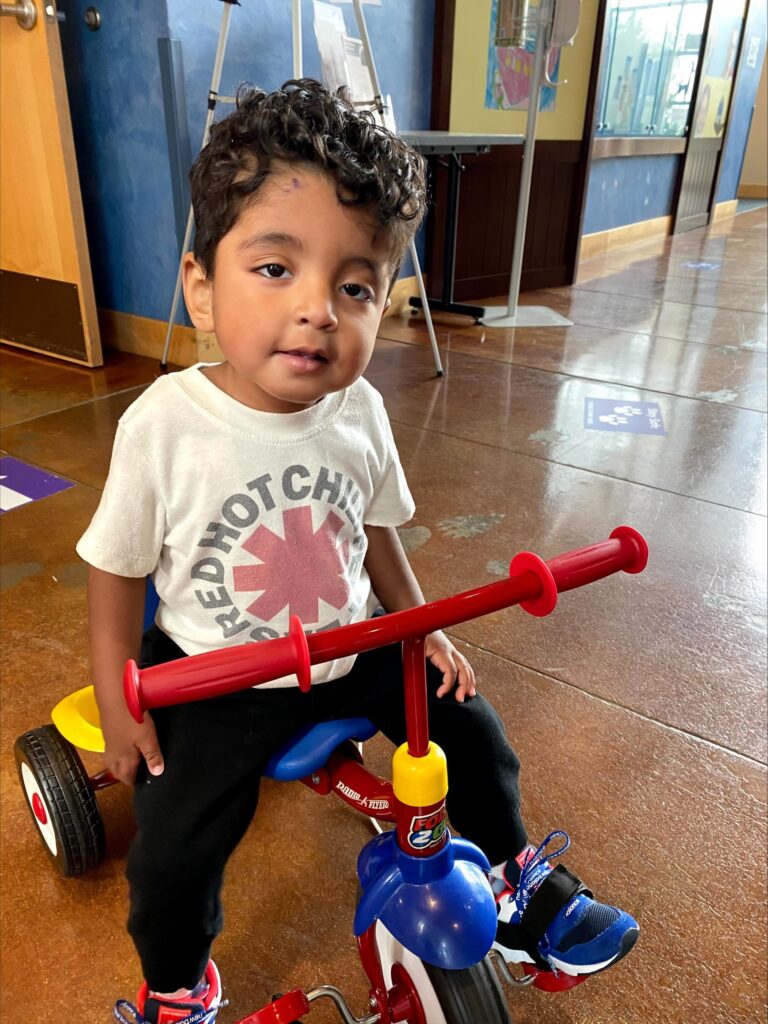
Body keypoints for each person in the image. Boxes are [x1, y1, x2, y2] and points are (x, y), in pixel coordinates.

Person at [78, 80, 638, 1024]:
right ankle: (178, 987)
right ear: (202, 287)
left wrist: (420, 630)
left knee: (473, 729)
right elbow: (116, 563)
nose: (319, 311)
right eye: (274, 270)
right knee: (172, 850)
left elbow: (373, 529)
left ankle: (511, 881)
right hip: (217, 674)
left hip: (348, 640)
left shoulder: (361, 412)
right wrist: (114, 686)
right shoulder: (164, 426)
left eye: (355, 284)